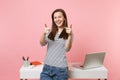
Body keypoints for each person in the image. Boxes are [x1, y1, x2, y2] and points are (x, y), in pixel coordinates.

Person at [40, 8, 73, 80]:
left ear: (64, 18)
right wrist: (44, 33)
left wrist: (70, 35)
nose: (57, 19)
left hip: (60, 70)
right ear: (53, 20)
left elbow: (67, 49)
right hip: (47, 68)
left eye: (59, 17)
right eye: (55, 18)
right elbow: (42, 43)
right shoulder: (50, 32)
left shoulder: (68, 32)